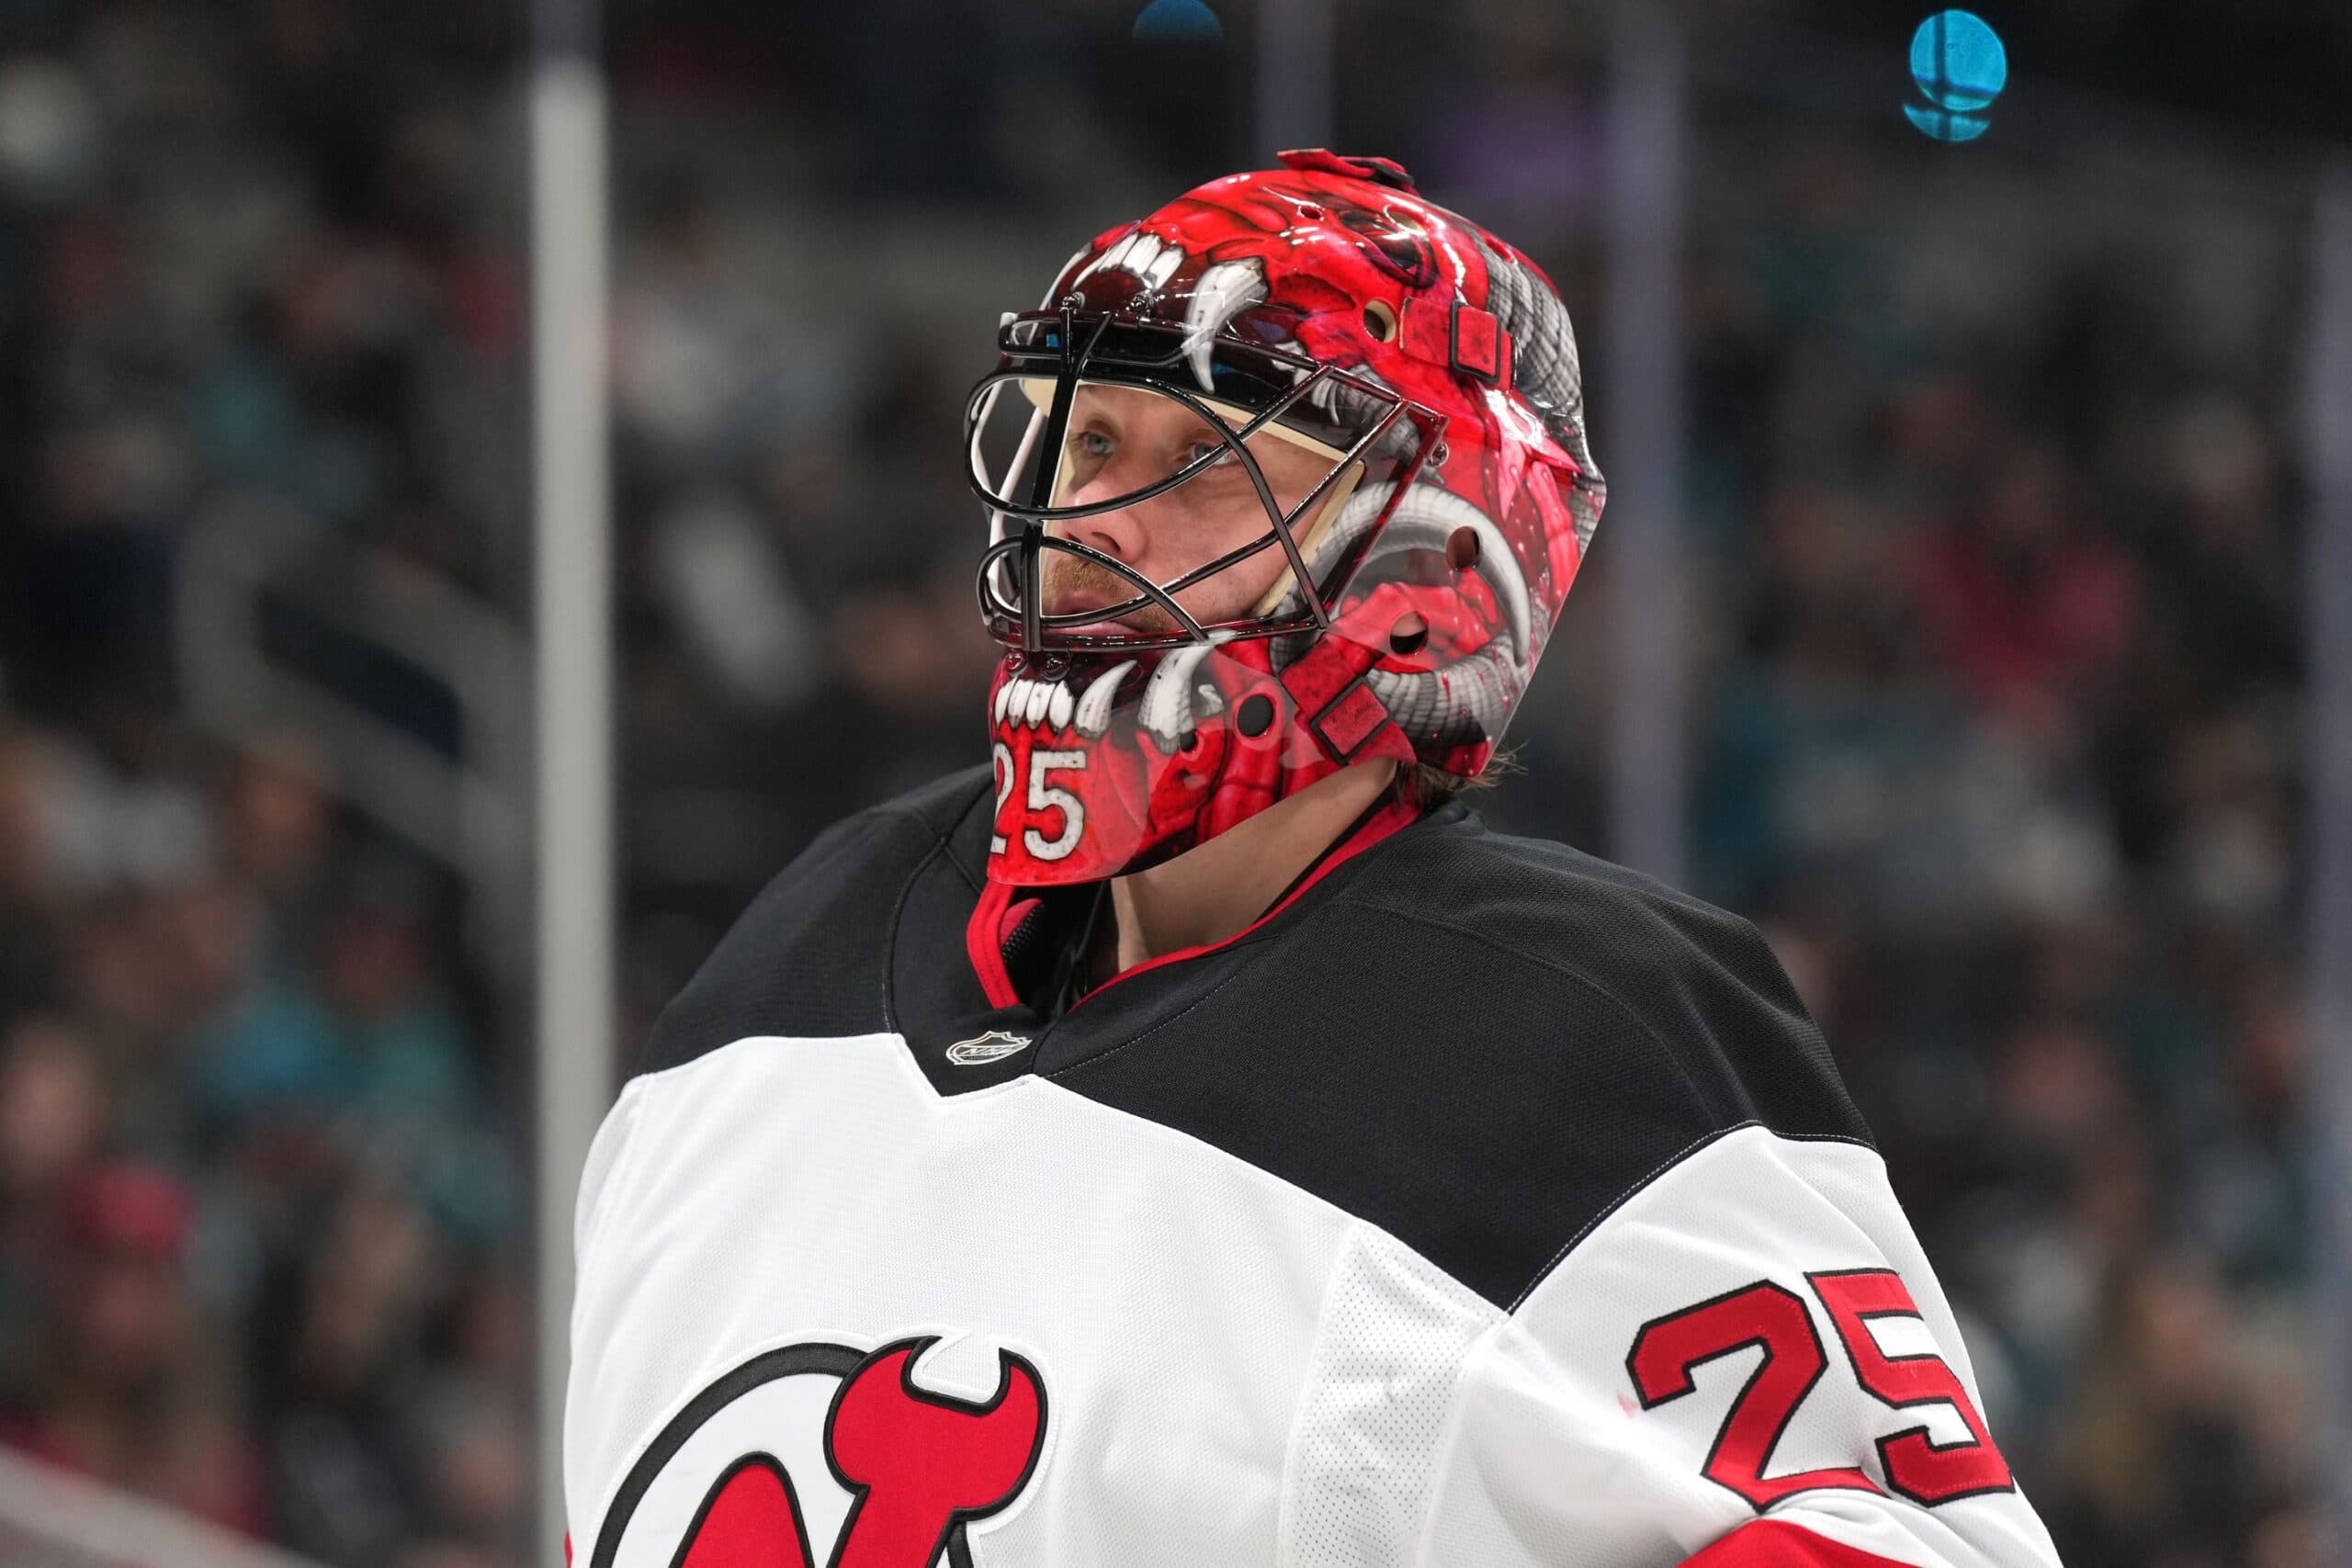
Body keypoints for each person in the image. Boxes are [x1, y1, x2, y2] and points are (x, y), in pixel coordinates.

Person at [562, 152, 2061, 1568]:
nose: (1082, 525)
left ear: (1434, 578)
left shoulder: (1576, 1042)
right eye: (1084, 440)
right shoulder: (800, 947)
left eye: (1202, 458)